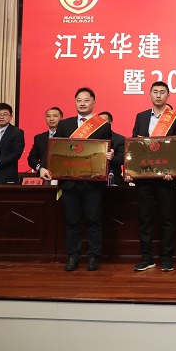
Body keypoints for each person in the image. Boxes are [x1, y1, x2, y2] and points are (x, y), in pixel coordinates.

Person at [39, 88, 114, 271]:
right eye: (79, 100)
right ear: (75, 102)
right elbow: (53, 148)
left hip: (93, 183)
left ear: (94, 103)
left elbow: (109, 149)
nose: (82, 103)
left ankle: (93, 257)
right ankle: (73, 257)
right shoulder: (65, 124)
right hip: (70, 182)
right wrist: (43, 167)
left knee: (93, 221)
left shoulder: (102, 126)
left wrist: (111, 154)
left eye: (86, 100)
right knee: (72, 222)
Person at [127, 81, 176, 273]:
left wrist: (174, 169)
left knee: (167, 219)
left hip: (166, 179)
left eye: (162, 92)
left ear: (168, 96)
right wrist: (131, 169)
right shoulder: (141, 117)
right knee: (145, 219)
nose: (159, 95)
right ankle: (147, 258)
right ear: (150, 95)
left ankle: (167, 259)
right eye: (155, 92)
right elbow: (134, 147)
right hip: (144, 178)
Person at [27, 107, 63, 172]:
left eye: (55, 116)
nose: (51, 119)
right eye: (48, 116)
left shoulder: (67, 136)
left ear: (61, 118)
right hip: (44, 175)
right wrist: (40, 168)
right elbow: (32, 158)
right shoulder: (39, 138)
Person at [98, 111, 125, 185]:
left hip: (113, 178)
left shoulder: (120, 139)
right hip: (93, 178)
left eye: (103, 122)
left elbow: (122, 159)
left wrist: (110, 157)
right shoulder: (92, 139)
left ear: (110, 124)